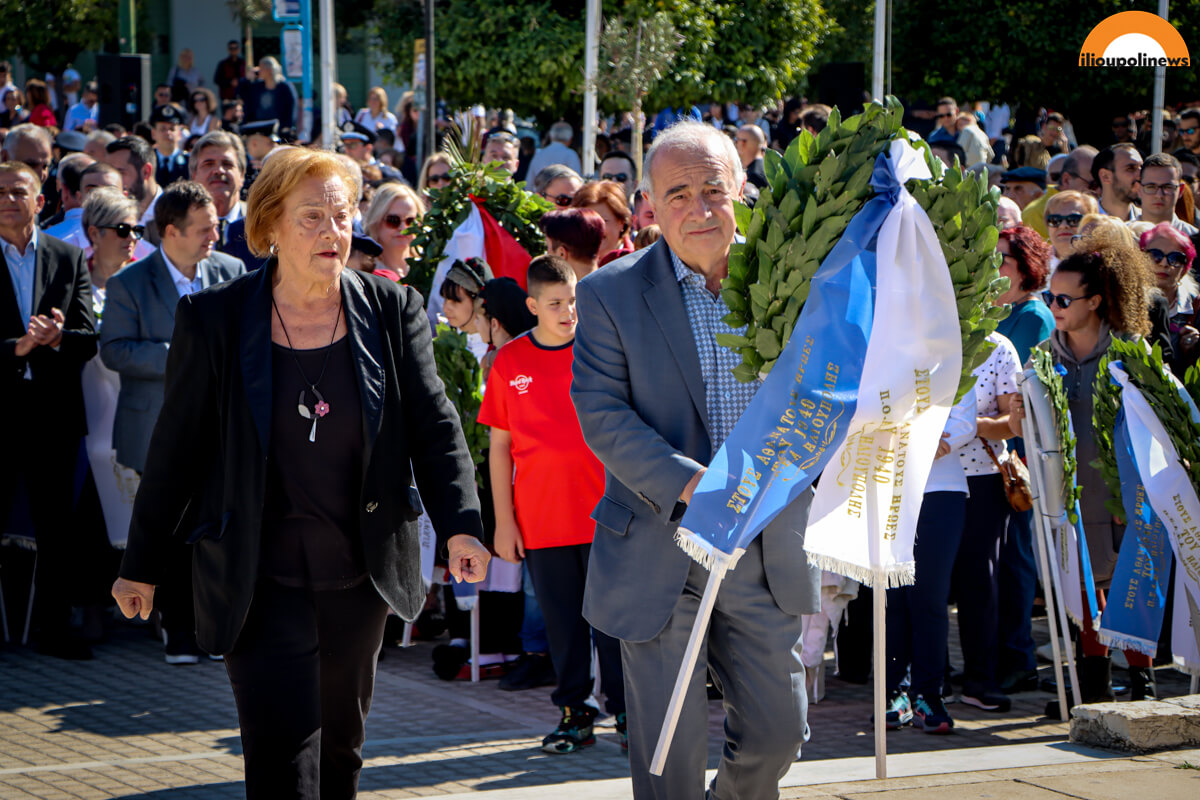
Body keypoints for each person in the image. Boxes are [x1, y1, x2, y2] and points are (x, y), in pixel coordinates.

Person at [110, 147, 490, 798]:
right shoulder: (217, 320)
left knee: (341, 753)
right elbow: (176, 450)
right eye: (312, 217)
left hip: (358, 574)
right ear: (269, 228)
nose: (331, 232)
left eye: (341, 217)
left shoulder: (390, 313)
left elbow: (434, 424)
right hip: (259, 575)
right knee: (281, 760)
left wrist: (460, 527)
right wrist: (140, 563)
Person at [571, 121, 819, 799]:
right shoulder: (609, 294)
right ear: (649, 205)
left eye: (714, 187)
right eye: (678, 194)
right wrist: (689, 483)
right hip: (659, 547)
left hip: (761, 550)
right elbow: (601, 412)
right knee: (667, 758)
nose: (700, 207)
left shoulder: (791, 286)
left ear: (740, 186)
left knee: (779, 731)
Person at [479, 254, 626, 753]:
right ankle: (573, 713)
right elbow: (499, 447)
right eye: (557, 303)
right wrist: (504, 522)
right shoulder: (511, 361)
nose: (569, 312)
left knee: (613, 624)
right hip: (541, 521)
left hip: (605, 516)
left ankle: (627, 714)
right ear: (533, 305)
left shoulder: (599, 349)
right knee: (562, 628)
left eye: (574, 301)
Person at [1011, 225, 1158, 706]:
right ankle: (1091, 697)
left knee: (1130, 592)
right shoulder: (1040, 360)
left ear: (1094, 301)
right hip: (1069, 498)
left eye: (1063, 300)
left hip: (1119, 498)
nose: (1053, 308)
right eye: (1051, 297)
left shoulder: (1128, 356)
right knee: (1081, 599)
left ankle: (1141, 693)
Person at [0, 162, 97, 659]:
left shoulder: (67, 257)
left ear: (42, 201)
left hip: (52, 415)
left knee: (57, 529)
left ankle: (54, 630)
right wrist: (15, 348)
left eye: (19, 191)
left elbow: (87, 337)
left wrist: (58, 337)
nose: (8, 199)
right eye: (0, 192)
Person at [885, 389, 976, 733]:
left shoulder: (955, 348)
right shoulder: (881, 346)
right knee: (891, 598)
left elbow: (964, 422)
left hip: (942, 490)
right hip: (885, 487)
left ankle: (929, 695)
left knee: (929, 597)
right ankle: (893, 693)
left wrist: (921, 442)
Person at [992, 225, 1055, 694]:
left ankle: (1018, 658)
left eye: (1002, 261)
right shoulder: (995, 312)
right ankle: (998, 654)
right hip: (990, 457)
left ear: (1026, 267)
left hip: (1018, 460)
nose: (994, 270)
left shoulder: (1031, 318)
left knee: (1015, 560)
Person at [952, 328, 1021, 713]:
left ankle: (981, 679)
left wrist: (964, 423)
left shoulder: (998, 346)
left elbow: (1012, 423)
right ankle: (929, 680)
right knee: (924, 586)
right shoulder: (914, 333)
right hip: (921, 480)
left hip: (982, 480)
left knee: (980, 584)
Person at [79, 188, 144, 548]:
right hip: (85, 420)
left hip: (134, 415)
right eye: (122, 229)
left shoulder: (144, 283)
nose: (131, 238)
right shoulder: (71, 284)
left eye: (136, 230)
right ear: (94, 233)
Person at [1139, 222, 1199, 373]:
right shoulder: (1129, 303)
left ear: (1185, 269)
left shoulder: (1196, 306)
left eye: (1176, 258)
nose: (1164, 263)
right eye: (1155, 255)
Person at [189, 130, 246, 250]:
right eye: (209, 164)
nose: (218, 170)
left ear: (242, 175)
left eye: (227, 164)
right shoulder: (182, 228)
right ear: (194, 176)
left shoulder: (262, 224)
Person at [106, 135, 164, 245]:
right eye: (109, 174)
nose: (112, 182)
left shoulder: (176, 215)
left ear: (146, 172)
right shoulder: (108, 217)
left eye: (120, 173)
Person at [364, 182, 423, 279]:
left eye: (410, 221)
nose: (403, 228)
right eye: (393, 220)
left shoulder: (429, 264)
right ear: (376, 222)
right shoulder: (366, 271)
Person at [569, 180, 632, 264]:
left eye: (603, 221)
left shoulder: (637, 262)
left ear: (621, 223)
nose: (595, 228)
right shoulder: (567, 264)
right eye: (586, 221)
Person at [1137, 152, 1198, 235]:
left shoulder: (1193, 238)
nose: (1159, 195)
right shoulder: (1123, 235)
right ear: (1139, 189)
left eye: (1168, 187)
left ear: (1180, 190)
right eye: (1151, 186)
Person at [540, 207, 605, 281]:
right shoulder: (615, 286)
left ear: (561, 254)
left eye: (548, 247)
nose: (547, 254)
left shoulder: (551, 290)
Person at [1043, 190, 1098, 265]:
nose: (1063, 225)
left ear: (1091, 224)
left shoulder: (1102, 265)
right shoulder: (1036, 265)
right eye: (1055, 220)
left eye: (1074, 219)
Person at [245, 57, 297, 132]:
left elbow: (291, 107)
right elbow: (243, 95)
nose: (259, 71)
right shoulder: (257, 86)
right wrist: (247, 79)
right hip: (260, 126)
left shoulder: (284, 87)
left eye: (261, 68)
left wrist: (288, 126)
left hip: (279, 127)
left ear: (269, 70)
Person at [1093, 143, 1142, 221]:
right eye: (1131, 168)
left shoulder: (1148, 224)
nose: (1141, 175)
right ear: (1105, 176)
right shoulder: (1084, 224)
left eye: (1141, 167)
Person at [149, 104, 190, 188]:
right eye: (163, 129)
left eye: (172, 129)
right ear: (153, 134)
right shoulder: (147, 160)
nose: (168, 133)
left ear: (179, 133)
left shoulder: (189, 162)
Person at [735, 124, 768, 189]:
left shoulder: (754, 176)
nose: (735, 144)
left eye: (737, 140)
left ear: (743, 143)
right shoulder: (767, 168)